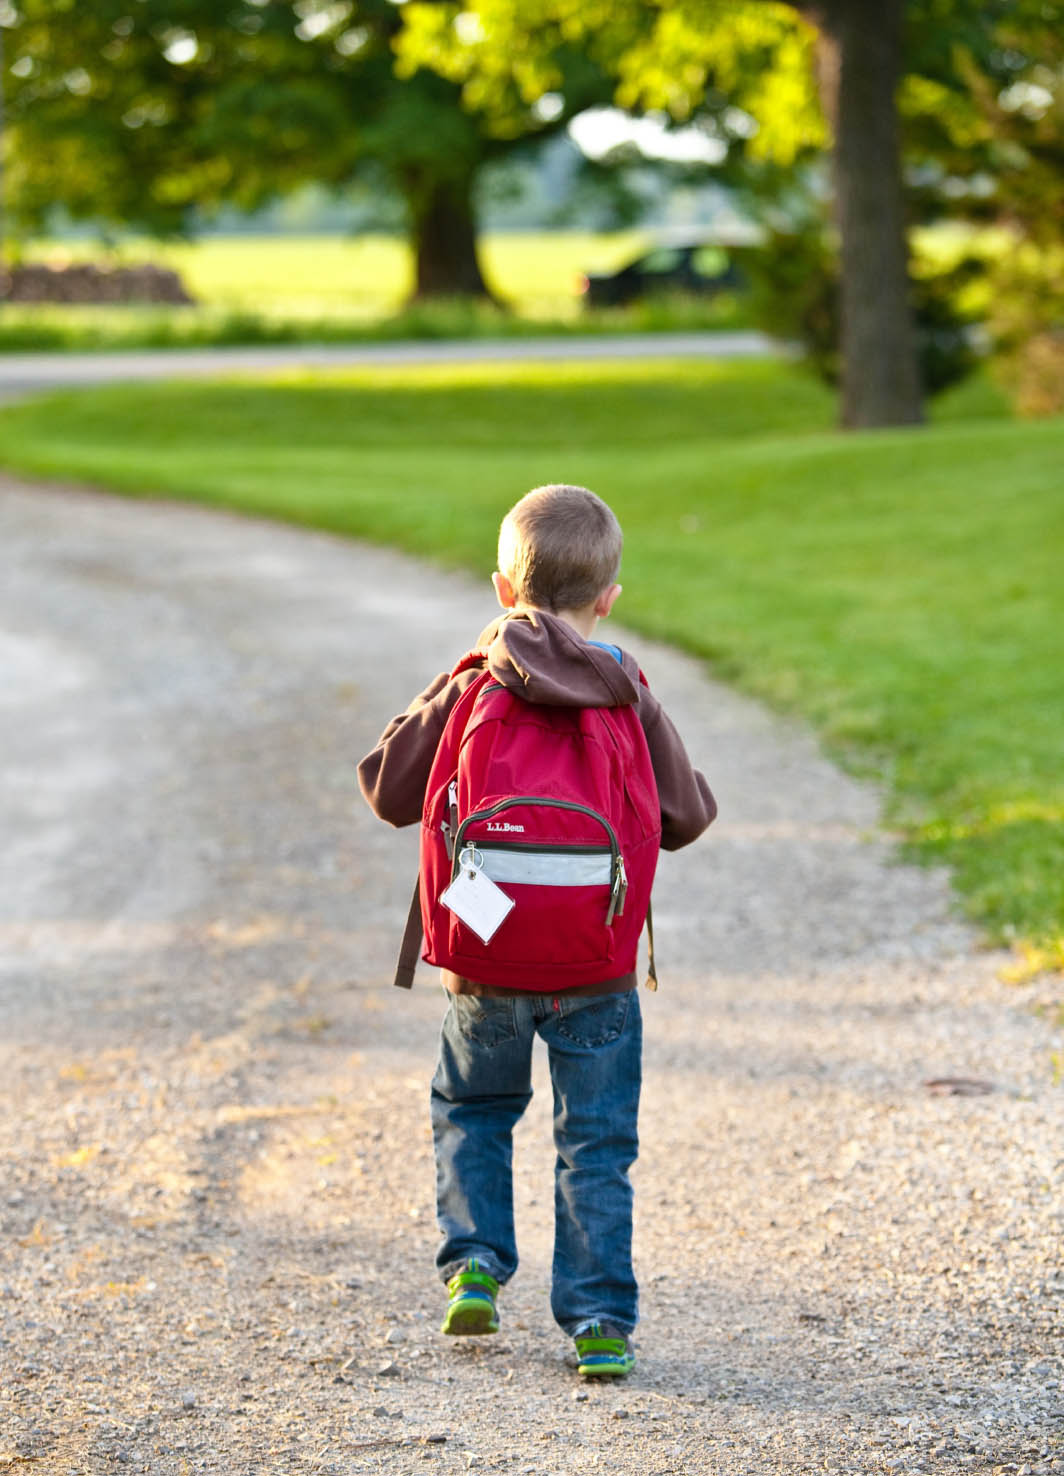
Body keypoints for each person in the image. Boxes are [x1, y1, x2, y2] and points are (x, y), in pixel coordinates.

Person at [358, 483, 716, 1377]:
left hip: (485, 963)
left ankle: (474, 1266)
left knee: (474, 1110)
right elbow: (687, 816)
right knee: (594, 1144)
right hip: (597, 967)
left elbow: (387, 788)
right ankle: (598, 1323)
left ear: (501, 590)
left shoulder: (478, 679)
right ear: (609, 598)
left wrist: (462, 671)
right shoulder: (624, 684)